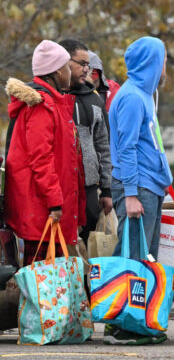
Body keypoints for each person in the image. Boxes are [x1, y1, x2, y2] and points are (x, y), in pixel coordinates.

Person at [107, 36, 173, 346]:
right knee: (133, 257)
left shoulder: (144, 95)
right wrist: (131, 194)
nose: (166, 67)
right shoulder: (132, 98)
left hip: (150, 185)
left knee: (144, 257)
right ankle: (126, 325)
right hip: (139, 186)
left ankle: (136, 319)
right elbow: (128, 148)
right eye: (163, 60)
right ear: (151, 63)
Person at [5, 40, 85, 265]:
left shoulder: (54, 104)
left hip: (46, 209)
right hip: (43, 211)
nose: (70, 72)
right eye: (68, 67)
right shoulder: (42, 106)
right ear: (58, 71)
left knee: (48, 282)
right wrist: (55, 203)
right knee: (44, 281)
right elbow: (41, 159)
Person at [59, 39, 112, 247]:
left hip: (90, 189)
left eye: (88, 65)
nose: (86, 70)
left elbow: (103, 147)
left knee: (90, 253)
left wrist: (106, 191)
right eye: (82, 64)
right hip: (61, 188)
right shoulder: (51, 98)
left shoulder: (95, 100)